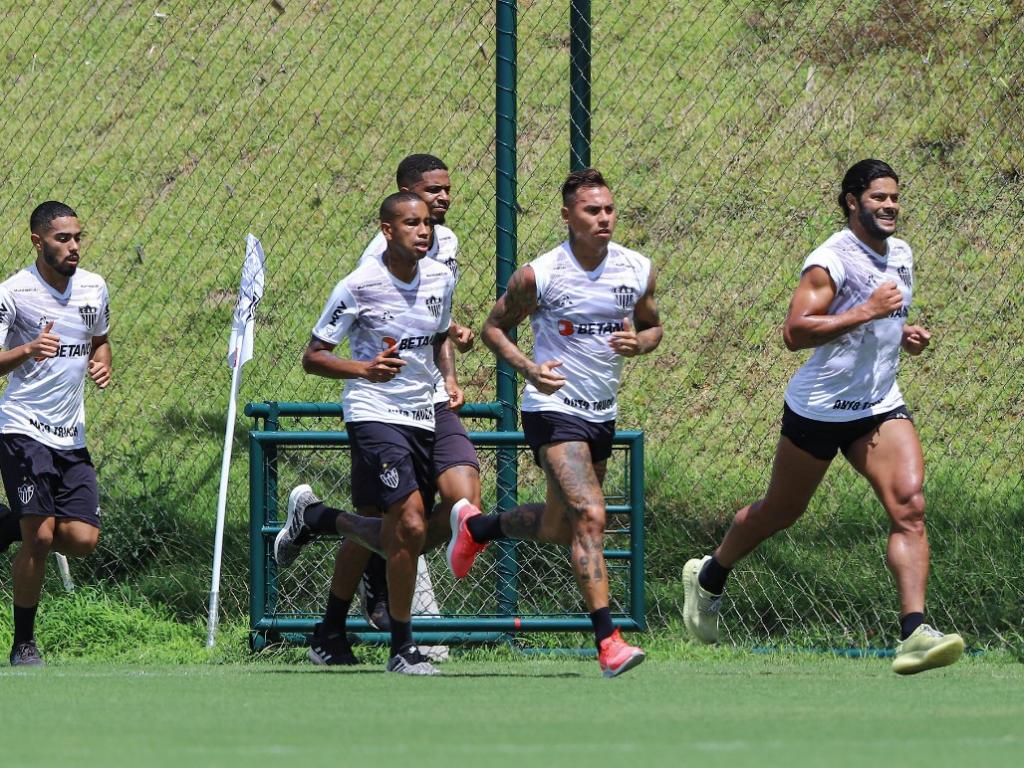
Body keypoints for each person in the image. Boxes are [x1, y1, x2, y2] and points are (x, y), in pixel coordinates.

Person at [681, 159, 964, 675]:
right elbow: (795, 331)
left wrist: (902, 333)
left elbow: (876, 324)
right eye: (878, 197)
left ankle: (914, 633)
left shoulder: (901, 254)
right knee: (780, 512)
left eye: (895, 197)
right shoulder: (830, 260)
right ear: (853, 202)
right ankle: (710, 574)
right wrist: (868, 312)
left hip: (877, 405)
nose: (890, 206)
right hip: (820, 408)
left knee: (910, 506)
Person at [446, 168, 662, 678]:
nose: (604, 218)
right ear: (568, 216)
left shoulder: (636, 269)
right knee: (590, 513)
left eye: (609, 209)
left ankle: (477, 527)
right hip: (552, 408)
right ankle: (608, 641)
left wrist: (639, 342)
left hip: (601, 412)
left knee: (558, 525)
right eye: (592, 210)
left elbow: (653, 327)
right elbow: (493, 328)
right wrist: (529, 369)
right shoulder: (539, 275)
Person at [273, 192, 459, 675]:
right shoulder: (358, 286)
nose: (423, 231)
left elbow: (436, 334)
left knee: (407, 530)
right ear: (387, 231)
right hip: (373, 411)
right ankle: (403, 647)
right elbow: (313, 356)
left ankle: (318, 519)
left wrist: (450, 363)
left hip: (423, 415)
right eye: (411, 223)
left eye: (427, 223)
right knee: (410, 524)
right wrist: (364, 368)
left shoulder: (441, 279)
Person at [345, 154, 479, 637]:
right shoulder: (373, 262)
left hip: (430, 398)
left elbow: (435, 316)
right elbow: (385, 320)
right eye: (431, 190)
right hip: (382, 402)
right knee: (385, 516)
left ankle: (388, 555)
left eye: (447, 189)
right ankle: (368, 582)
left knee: (456, 503)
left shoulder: (448, 242)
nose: (443, 198)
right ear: (404, 194)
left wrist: (450, 377)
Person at [0, 201, 112, 666]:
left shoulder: (93, 287)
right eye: (62, 238)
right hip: (22, 427)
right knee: (41, 538)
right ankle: (23, 644)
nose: (74, 246)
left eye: (78, 237)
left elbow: (100, 341)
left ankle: (6, 524)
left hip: (71, 435)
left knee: (83, 540)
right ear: (37, 241)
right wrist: (28, 349)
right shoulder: (14, 293)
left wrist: (102, 363)